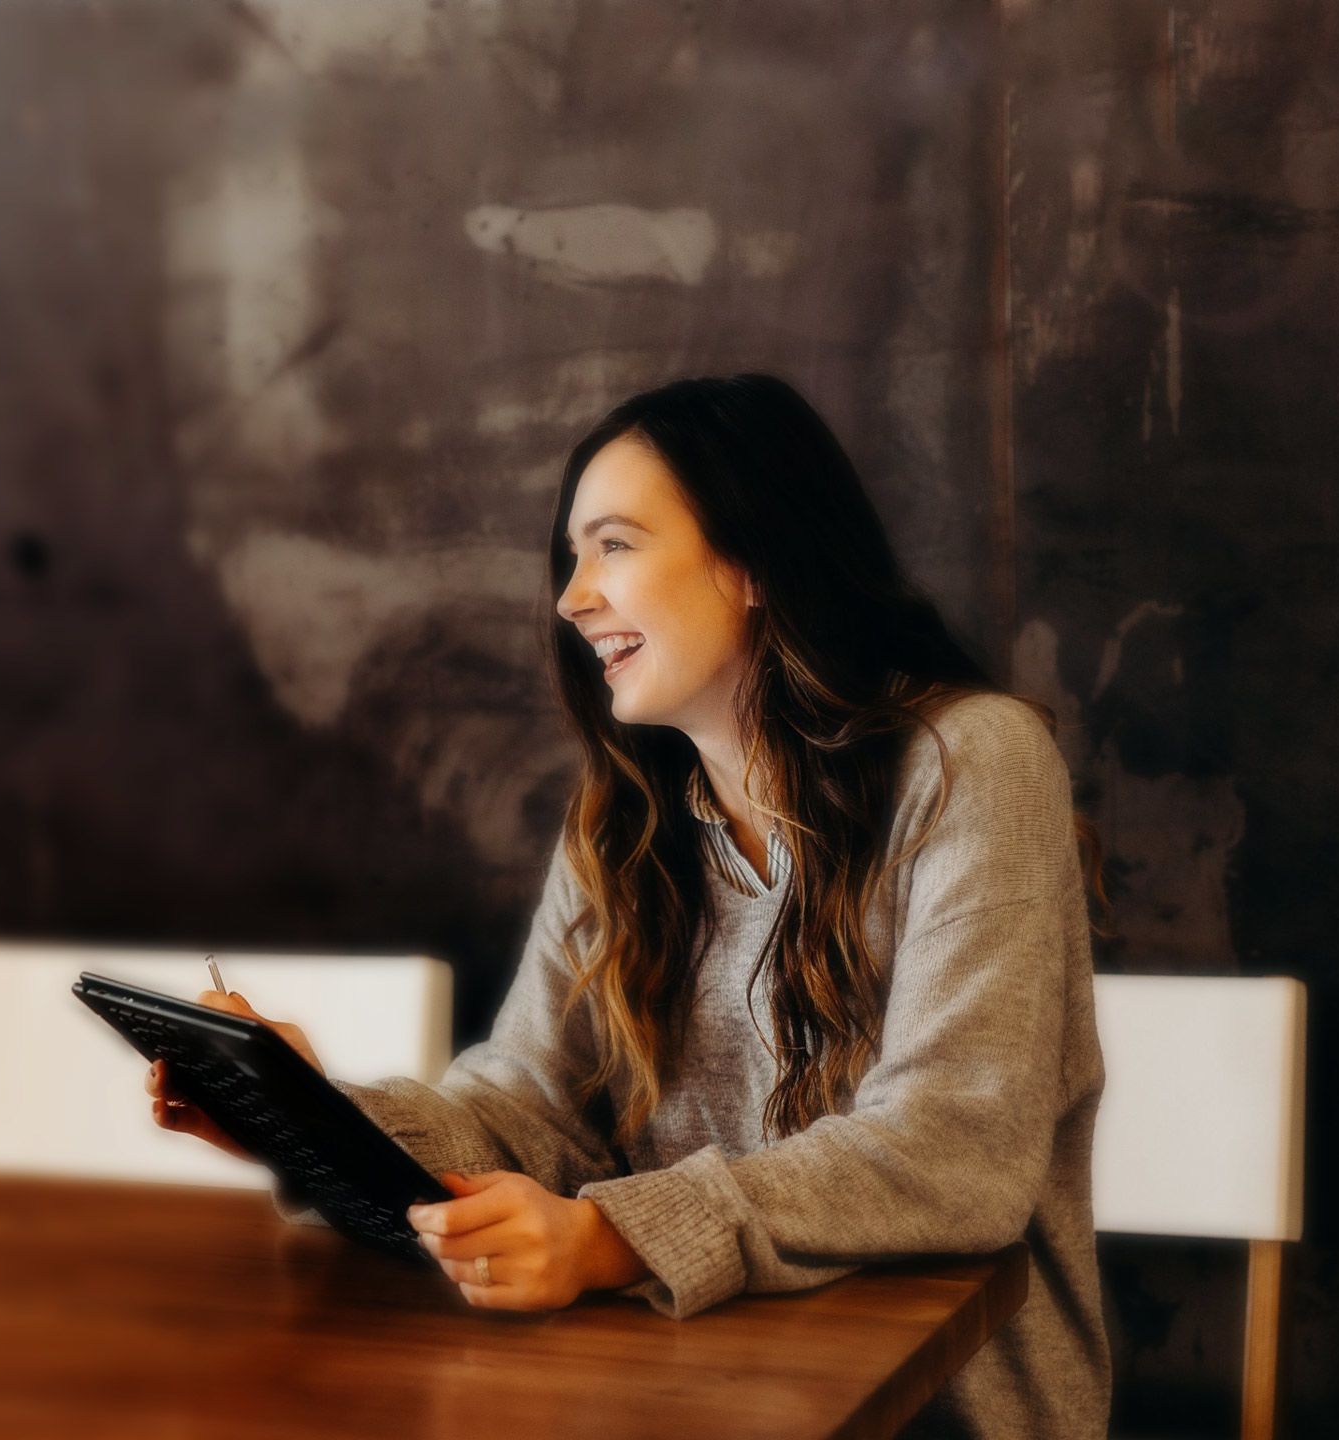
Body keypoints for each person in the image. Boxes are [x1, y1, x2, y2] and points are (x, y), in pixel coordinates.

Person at [146, 373, 1111, 1440]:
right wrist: (311, 1120)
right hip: (681, 1402)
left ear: (751, 562)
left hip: (935, 1414)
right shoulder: (621, 825)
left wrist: (609, 1239)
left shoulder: (970, 764)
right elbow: (526, 1115)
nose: (570, 598)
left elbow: (952, 1151)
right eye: (570, 557)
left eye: (612, 545)